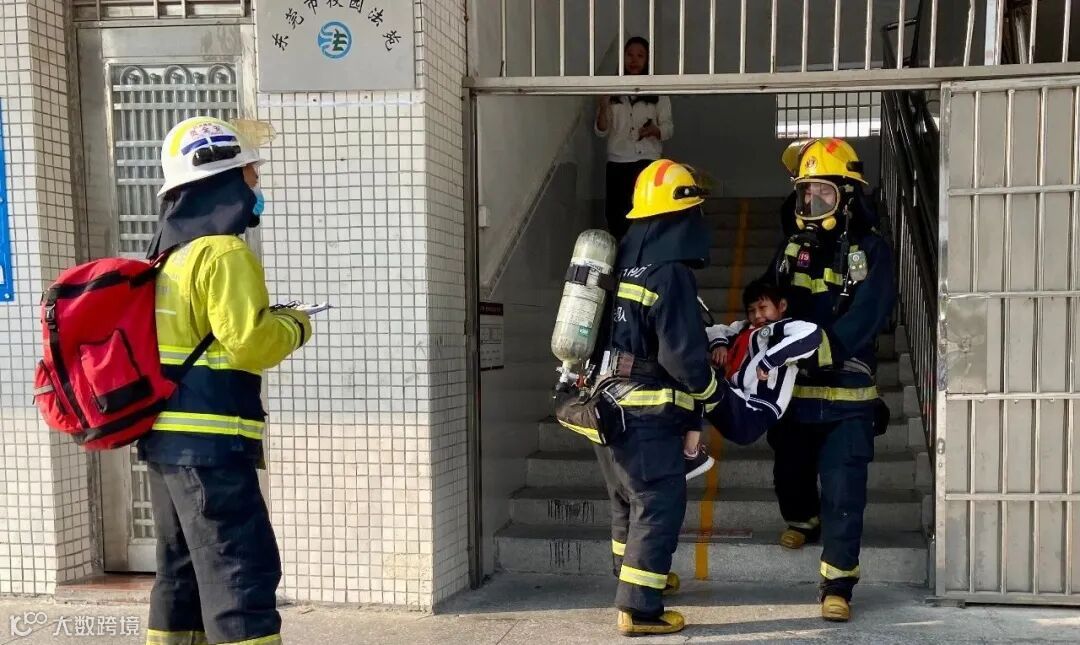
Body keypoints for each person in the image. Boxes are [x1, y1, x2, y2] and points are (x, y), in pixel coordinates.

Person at [140, 116, 313, 645]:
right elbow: (250, 343)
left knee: (181, 576)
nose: (256, 184)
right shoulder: (223, 252)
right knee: (240, 575)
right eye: (250, 173)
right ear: (225, 181)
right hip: (213, 445)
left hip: (166, 442)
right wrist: (295, 323)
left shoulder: (168, 255)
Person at [763, 138, 895, 623]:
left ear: (848, 196)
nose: (812, 202)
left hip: (848, 398)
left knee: (843, 492)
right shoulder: (791, 248)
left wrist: (822, 349)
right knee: (789, 473)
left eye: (823, 192)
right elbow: (769, 299)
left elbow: (869, 313)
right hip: (794, 394)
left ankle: (837, 585)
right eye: (806, 193)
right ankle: (802, 520)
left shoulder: (872, 250)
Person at [593, 159, 722, 636]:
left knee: (626, 499)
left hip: (607, 404)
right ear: (683, 215)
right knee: (658, 501)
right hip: (647, 411)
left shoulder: (621, 262)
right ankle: (640, 609)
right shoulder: (669, 273)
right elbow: (682, 355)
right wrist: (711, 395)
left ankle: (632, 578)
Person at [697, 281, 822, 448]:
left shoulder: (783, 328)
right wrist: (719, 344)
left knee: (692, 373)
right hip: (734, 399)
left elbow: (811, 333)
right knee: (687, 385)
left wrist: (769, 361)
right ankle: (691, 451)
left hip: (757, 410)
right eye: (751, 311)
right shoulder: (742, 329)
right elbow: (714, 330)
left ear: (782, 306)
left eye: (763, 308)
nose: (757, 315)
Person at [595, 37, 674, 241]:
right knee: (616, 216)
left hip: (647, 161)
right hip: (618, 161)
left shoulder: (658, 92)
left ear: (647, 60)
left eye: (640, 55)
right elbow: (601, 131)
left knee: (647, 214)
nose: (634, 60)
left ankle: (644, 255)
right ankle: (622, 256)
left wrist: (655, 130)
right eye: (629, 55)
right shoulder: (612, 91)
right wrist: (603, 106)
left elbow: (668, 128)